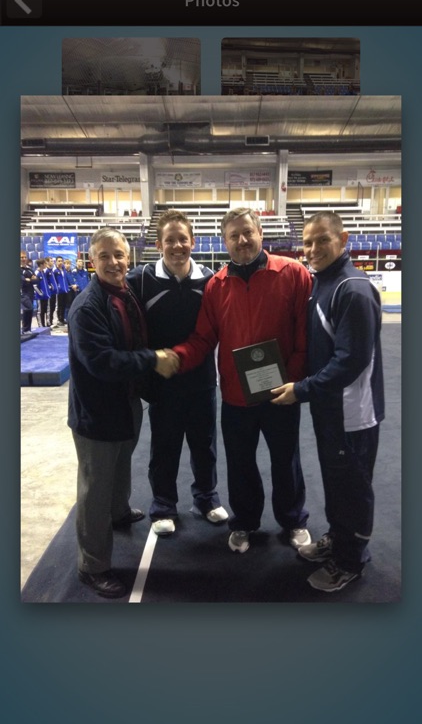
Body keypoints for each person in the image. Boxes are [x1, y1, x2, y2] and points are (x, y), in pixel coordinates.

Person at [172, 207, 313, 554]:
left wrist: (293, 381)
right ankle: (245, 522)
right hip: (236, 396)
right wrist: (176, 356)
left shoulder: (293, 273)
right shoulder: (216, 286)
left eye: (247, 232)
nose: (242, 240)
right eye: (233, 236)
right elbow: (204, 338)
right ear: (224, 242)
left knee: (286, 460)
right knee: (240, 463)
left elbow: (304, 333)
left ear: (260, 232)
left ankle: (293, 520)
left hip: (282, 392)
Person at [272, 212, 385, 592]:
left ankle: (351, 561)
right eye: (308, 242)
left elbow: (349, 362)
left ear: (344, 239)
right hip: (329, 409)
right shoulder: (323, 283)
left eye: (322, 240)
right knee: (336, 484)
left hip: (352, 413)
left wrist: (300, 389)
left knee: (352, 488)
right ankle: (339, 539)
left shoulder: (352, 289)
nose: (313, 249)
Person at [67, 227, 179, 599]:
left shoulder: (125, 291)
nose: (113, 262)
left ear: (128, 257)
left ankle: (117, 513)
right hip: (96, 413)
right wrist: (154, 359)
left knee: (120, 465)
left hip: (125, 402)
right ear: (91, 261)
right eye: (104, 256)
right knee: (95, 489)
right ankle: (92, 566)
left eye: (119, 255)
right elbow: (101, 361)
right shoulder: (87, 307)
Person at [127, 209, 228, 535]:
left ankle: (206, 498)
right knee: (164, 447)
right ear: (159, 243)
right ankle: (163, 506)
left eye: (182, 239)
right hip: (163, 383)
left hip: (201, 381)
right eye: (170, 240)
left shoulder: (210, 279)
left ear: (193, 242)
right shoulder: (140, 279)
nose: (177, 245)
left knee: (204, 446)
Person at [20, 250, 38, 335]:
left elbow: (36, 280)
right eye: (21, 257)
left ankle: (27, 329)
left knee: (29, 310)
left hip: (31, 292)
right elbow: (22, 279)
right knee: (28, 308)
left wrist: (31, 279)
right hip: (23, 292)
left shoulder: (29, 269)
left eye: (25, 257)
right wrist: (27, 279)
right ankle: (24, 328)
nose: (23, 259)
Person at [52, 255, 69, 326]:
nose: (60, 262)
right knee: (59, 305)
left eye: (61, 261)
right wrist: (57, 288)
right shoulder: (55, 271)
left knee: (64, 305)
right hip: (58, 291)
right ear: (56, 262)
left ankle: (62, 319)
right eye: (59, 261)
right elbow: (53, 281)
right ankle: (58, 319)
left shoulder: (64, 270)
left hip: (65, 290)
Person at [33, 258, 50, 327]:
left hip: (46, 295)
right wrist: (40, 293)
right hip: (40, 296)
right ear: (41, 265)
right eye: (45, 263)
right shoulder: (36, 273)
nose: (46, 265)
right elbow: (35, 286)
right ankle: (41, 325)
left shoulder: (43, 272)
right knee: (40, 311)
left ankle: (46, 324)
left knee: (45, 310)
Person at [45, 256, 58, 327]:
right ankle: (48, 322)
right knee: (49, 307)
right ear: (47, 262)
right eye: (51, 261)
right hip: (50, 293)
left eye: (53, 261)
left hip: (54, 292)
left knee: (53, 307)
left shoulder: (52, 270)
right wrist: (50, 287)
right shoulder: (46, 271)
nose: (53, 262)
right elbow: (45, 281)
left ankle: (51, 321)